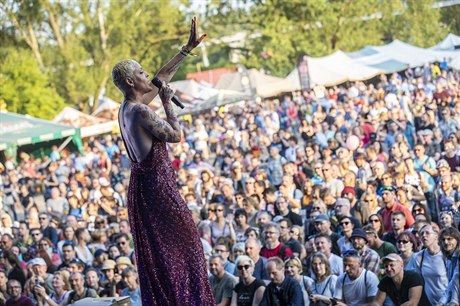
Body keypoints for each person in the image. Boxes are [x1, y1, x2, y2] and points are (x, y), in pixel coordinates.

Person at [112, 17, 214, 305]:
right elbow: (175, 135)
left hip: (145, 190)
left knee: (165, 257)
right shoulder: (142, 112)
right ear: (131, 81)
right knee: (188, 249)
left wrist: (187, 49)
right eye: (142, 72)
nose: (148, 75)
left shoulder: (129, 108)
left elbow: (161, 77)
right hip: (158, 191)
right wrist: (168, 101)